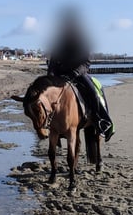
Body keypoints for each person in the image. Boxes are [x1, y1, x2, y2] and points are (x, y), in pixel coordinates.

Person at [46, 8, 115, 141]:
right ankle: (49, 124)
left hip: (78, 74)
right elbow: (54, 61)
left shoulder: (82, 40)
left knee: (93, 93)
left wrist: (76, 72)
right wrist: (50, 74)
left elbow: (86, 61)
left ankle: (101, 121)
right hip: (60, 74)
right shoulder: (59, 41)